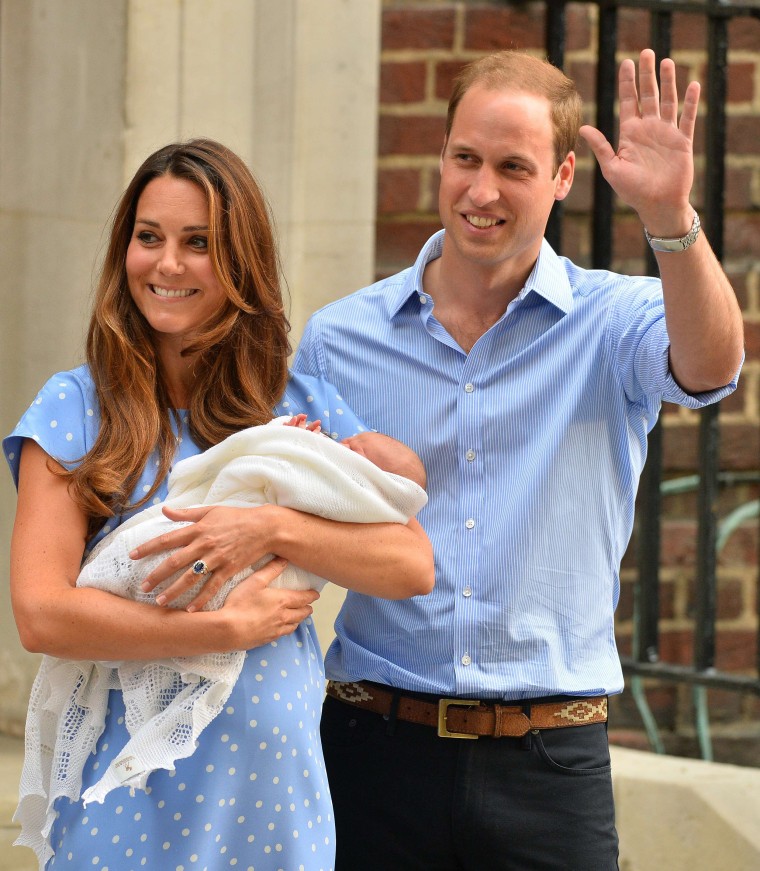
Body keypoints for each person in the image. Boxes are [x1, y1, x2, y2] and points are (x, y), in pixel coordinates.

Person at [293, 49, 744, 870]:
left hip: (549, 765)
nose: (482, 190)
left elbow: (713, 366)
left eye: (514, 167)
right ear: (442, 156)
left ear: (565, 174)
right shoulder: (339, 339)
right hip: (370, 750)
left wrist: (671, 219)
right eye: (465, 158)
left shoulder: (614, 322)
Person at [4, 138, 434, 871]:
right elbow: (41, 613)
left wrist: (271, 526)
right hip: (124, 805)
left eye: (197, 243)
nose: (167, 265)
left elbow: (410, 563)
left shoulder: (296, 407)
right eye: (149, 238)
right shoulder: (77, 407)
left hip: (272, 800)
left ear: (241, 260)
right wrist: (220, 626)